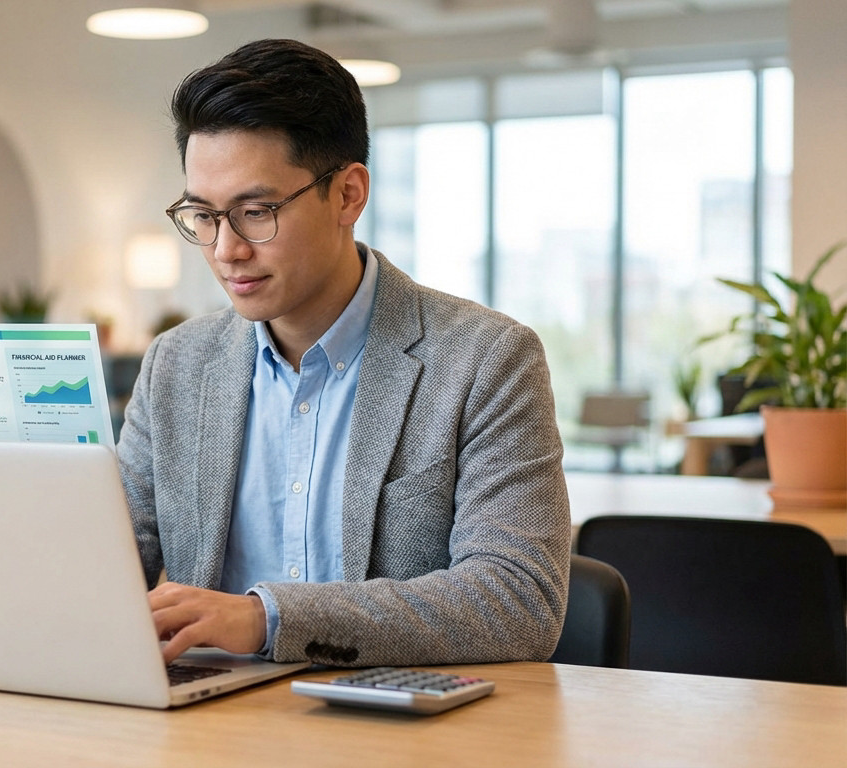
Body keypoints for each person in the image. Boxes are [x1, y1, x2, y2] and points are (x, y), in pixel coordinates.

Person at [116, 38, 571, 667]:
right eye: (203, 215)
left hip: (384, 717)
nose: (226, 250)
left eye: (256, 211)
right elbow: (103, 567)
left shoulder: (486, 359)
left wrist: (266, 619)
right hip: (209, 715)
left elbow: (519, 600)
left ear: (348, 195)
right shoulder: (176, 364)